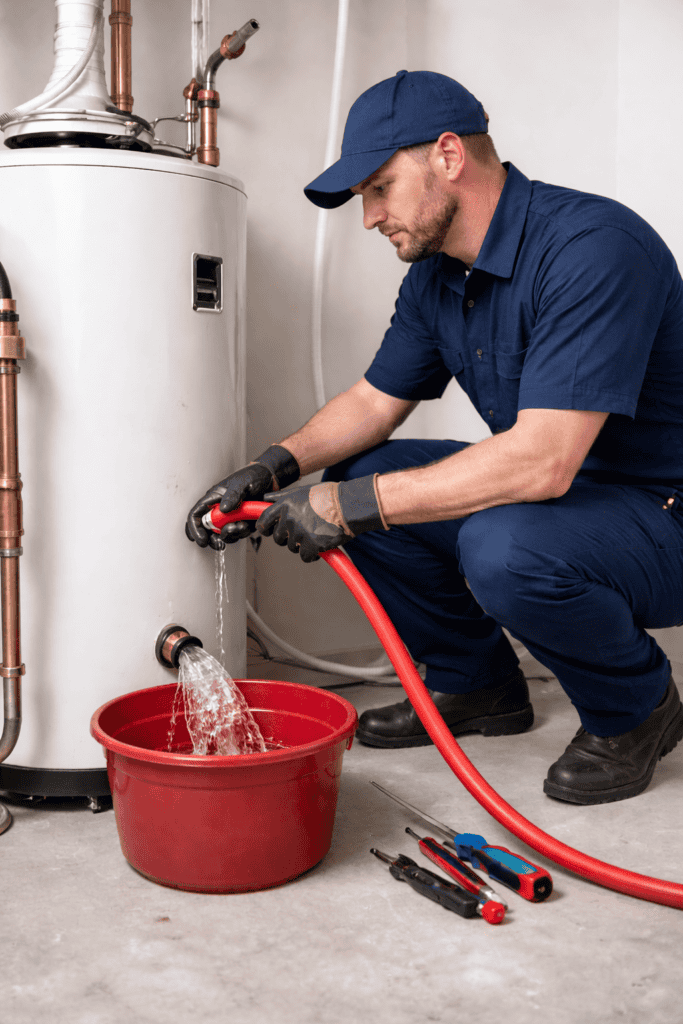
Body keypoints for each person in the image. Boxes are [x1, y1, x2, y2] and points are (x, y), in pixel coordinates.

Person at [186, 70, 683, 805]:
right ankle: (476, 685)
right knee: (367, 466)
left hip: (660, 515)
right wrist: (271, 466)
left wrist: (349, 506)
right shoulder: (436, 275)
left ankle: (636, 709)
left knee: (495, 543)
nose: (368, 218)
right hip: (574, 500)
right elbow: (372, 402)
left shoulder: (592, 248)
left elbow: (544, 462)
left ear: (447, 156)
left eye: (379, 188)